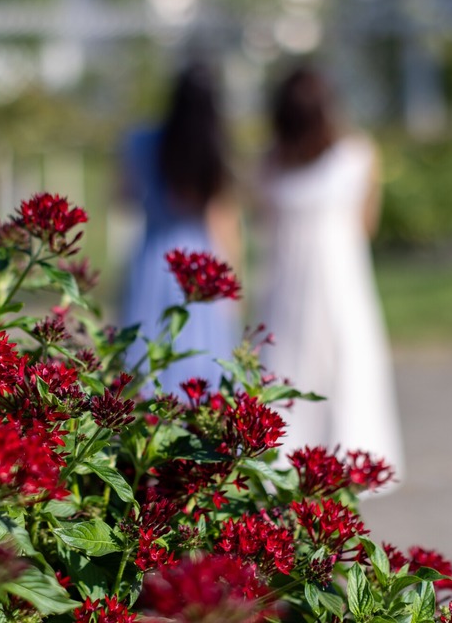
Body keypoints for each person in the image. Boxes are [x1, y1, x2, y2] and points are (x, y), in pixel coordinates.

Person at [256, 65, 404, 482]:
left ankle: (282, 460)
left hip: (285, 282)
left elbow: (264, 220)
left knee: (286, 363)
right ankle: (351, 460)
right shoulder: (358, 155)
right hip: (340, 278)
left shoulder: (269, 163)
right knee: (346, 364)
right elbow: (367, 223)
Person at [119, 62, 241, 395]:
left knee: (146, 356)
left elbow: (124, 196)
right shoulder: (215, 148)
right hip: (201, 260)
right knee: (202, 359)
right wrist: (232, 283)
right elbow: (224, 221)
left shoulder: (140, 141)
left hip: (153, 256)